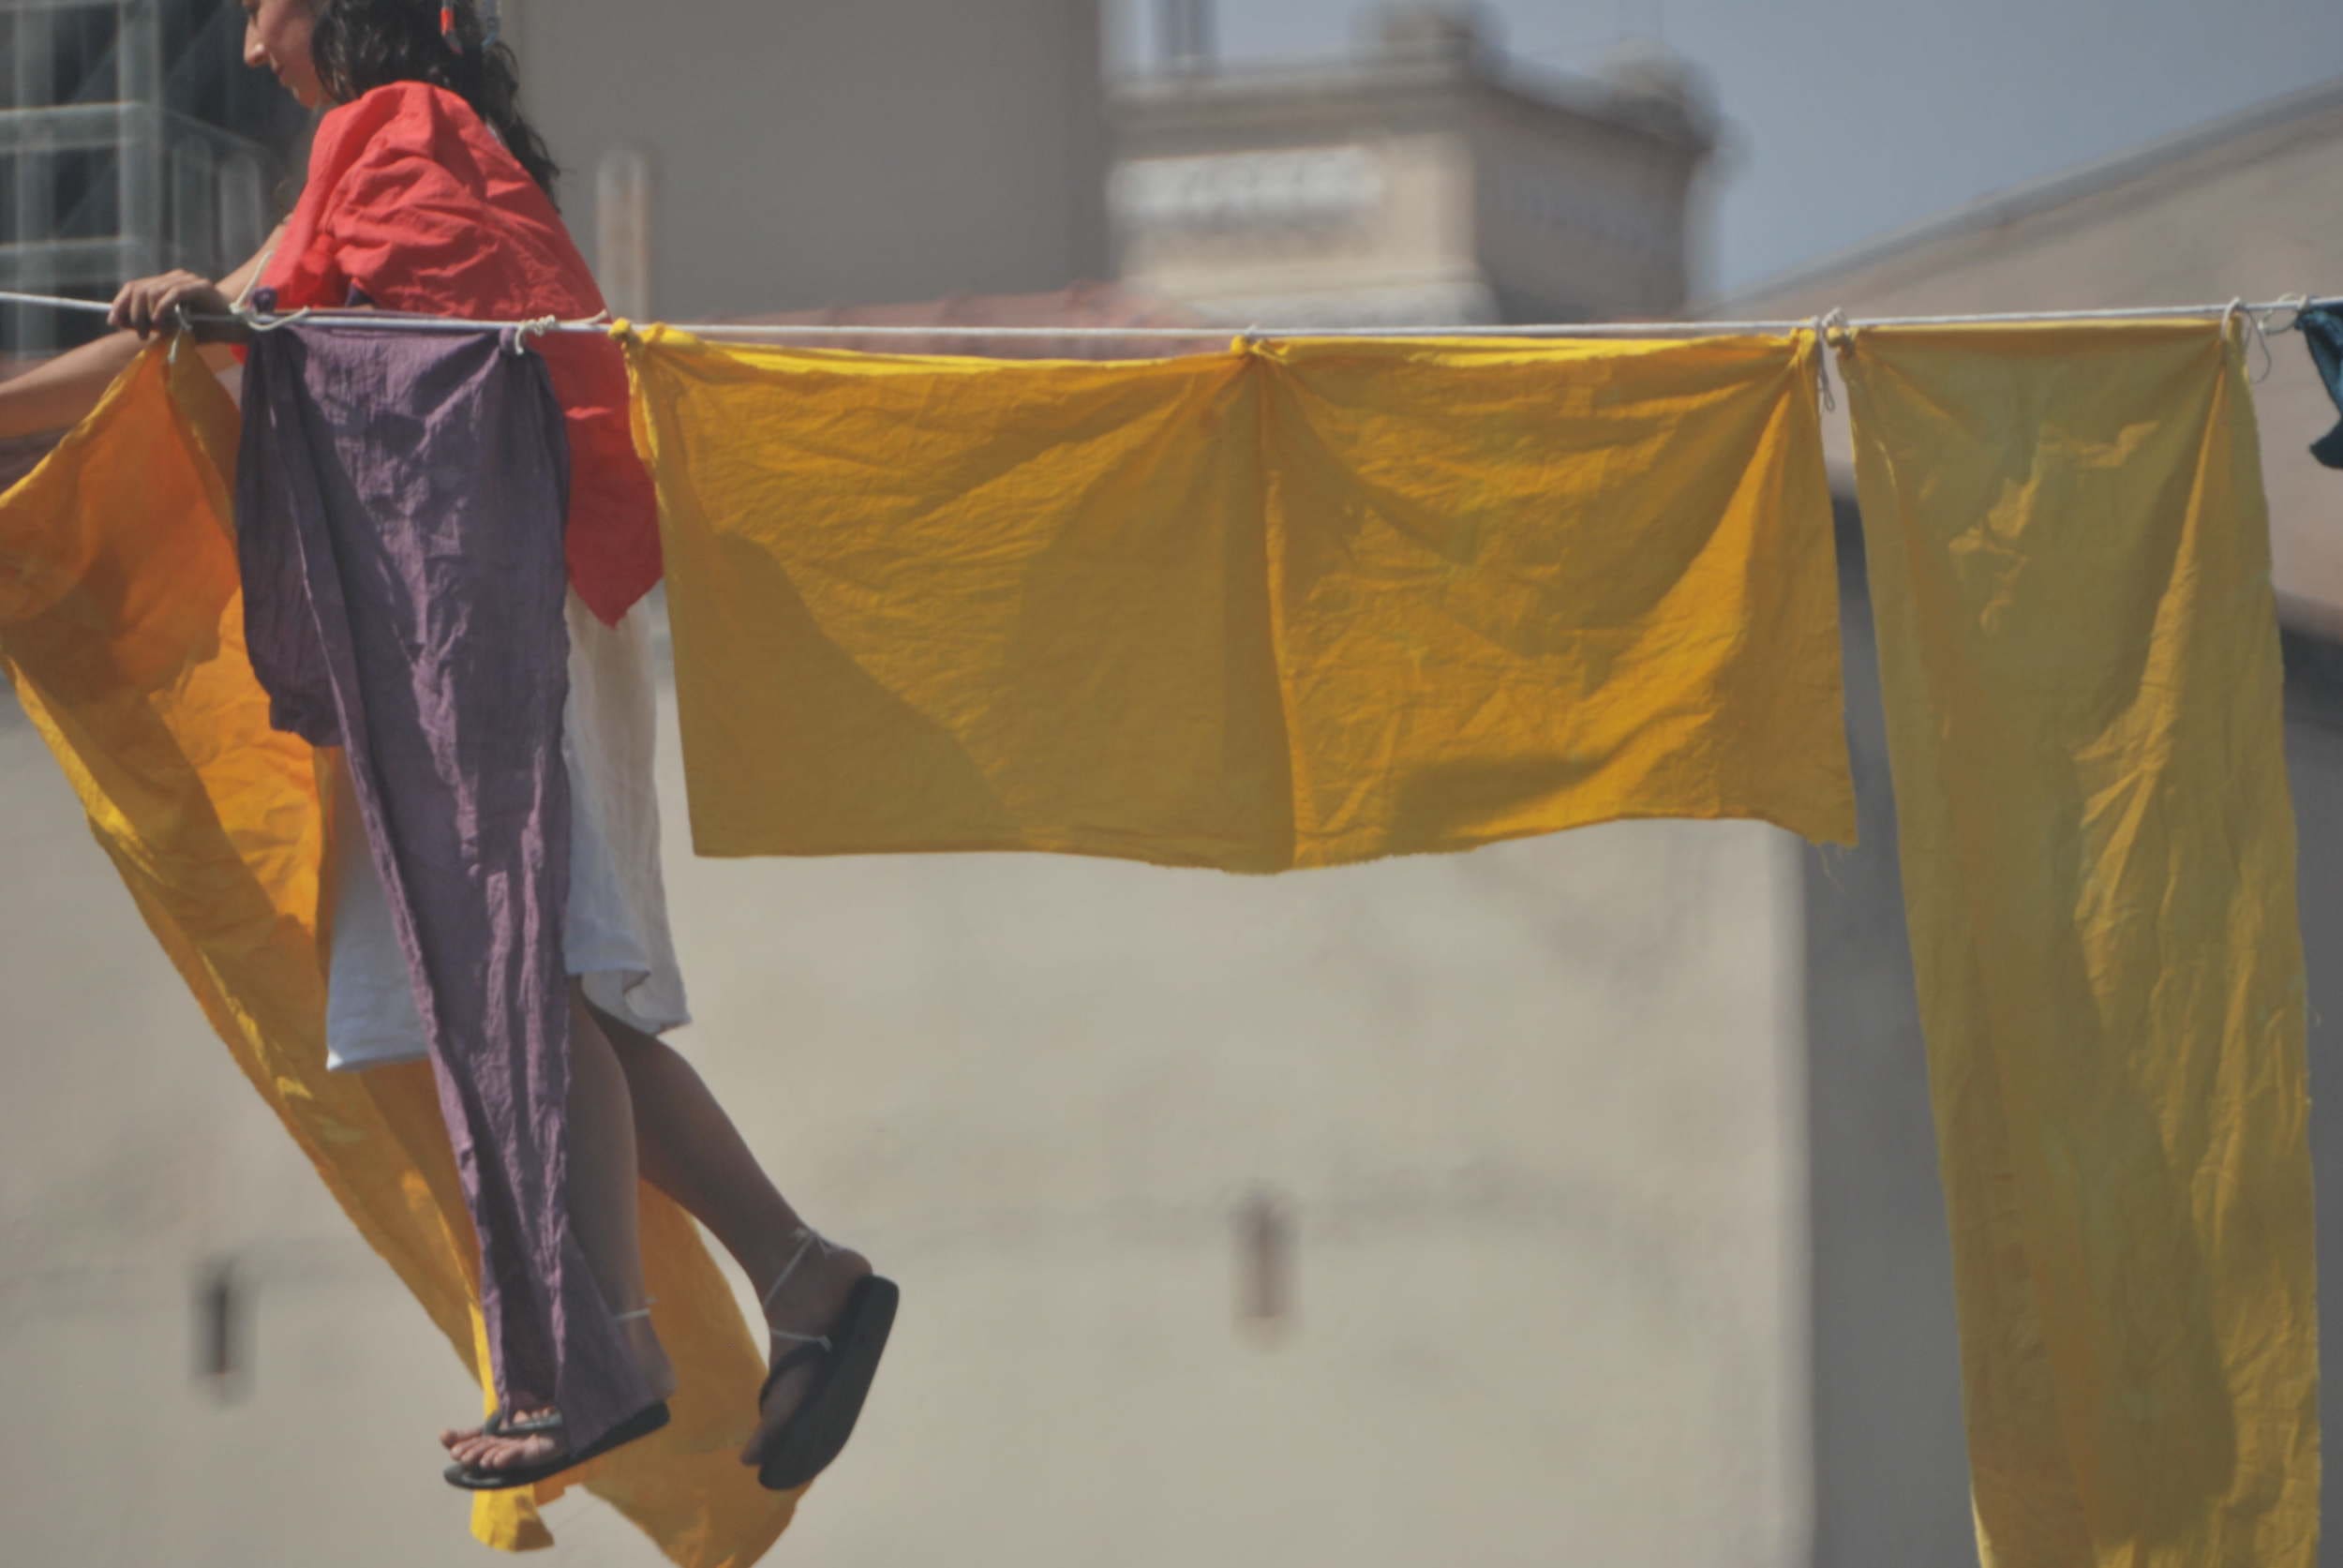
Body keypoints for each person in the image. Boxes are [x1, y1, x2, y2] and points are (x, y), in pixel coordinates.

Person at [0, 0, 894, 1494]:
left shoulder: (399, 128)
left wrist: (221, 314)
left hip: (483, 623)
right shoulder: (385, 151)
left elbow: (356, 355)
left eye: (264, 6)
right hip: (482, 617)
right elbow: (233, 331)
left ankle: (603, 1345)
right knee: (543, 985)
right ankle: (804, 1276)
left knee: (516, 969)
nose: (244, 48)